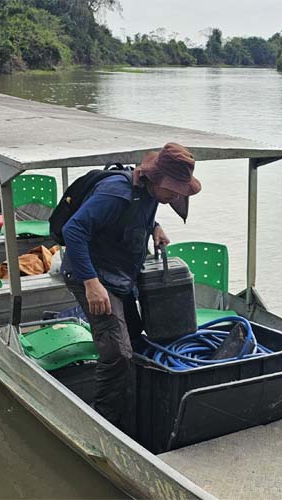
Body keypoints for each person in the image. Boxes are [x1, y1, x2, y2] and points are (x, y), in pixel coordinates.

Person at [61, 142, 201, 433]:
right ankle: (105, 426)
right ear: (155, 178)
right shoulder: (115, 193)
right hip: (91, 276)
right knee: (117, 353)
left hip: (121, 274)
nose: (176, 195)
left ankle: (135, 404)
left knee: (137, 341)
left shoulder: (150, 193)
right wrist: (91, 283)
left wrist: (155, 227)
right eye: (173, 189)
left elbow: (139, 212)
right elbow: (72, 230)